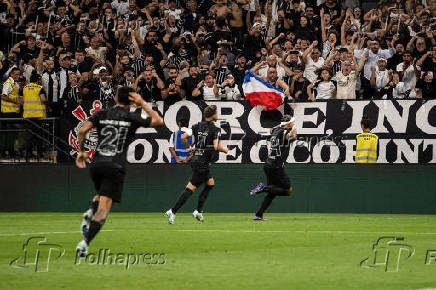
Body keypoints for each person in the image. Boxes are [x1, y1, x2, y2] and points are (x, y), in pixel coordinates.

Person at [75, 87, 164, 256]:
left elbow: (82, 130)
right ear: (132, 101)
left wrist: (81, 151)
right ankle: (85, 243)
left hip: (97, 164)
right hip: (114, 166)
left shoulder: (102, 114)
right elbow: (159, 121)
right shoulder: (132, 117)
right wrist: (143, 104)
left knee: (101, 194)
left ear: (115, 98)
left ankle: (89, 211)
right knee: (102, 214)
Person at [165, 105, 229, 224]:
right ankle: (173, 211)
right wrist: (225, 150)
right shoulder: (216, 129)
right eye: (216, 112)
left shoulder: (196, 126)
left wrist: (190, 148)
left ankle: (197, 211)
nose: (217, 114)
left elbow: (183, 137)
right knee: (191, 188)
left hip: (196, 160)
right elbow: (216, 146)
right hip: (202, 162)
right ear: (214, 115)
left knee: (210, 183)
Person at [250, 115, 297, 221]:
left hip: (268, 165)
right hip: (276, 167)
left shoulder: (275, 131)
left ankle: (258, 214)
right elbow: (292, 136)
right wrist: (294, 129)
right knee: (288, 190)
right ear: (288, 124)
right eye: (292, 122)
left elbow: (272, 129)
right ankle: (263, 188)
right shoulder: (284, 133)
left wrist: (285, 125)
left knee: (273, 192)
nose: (294, 123)